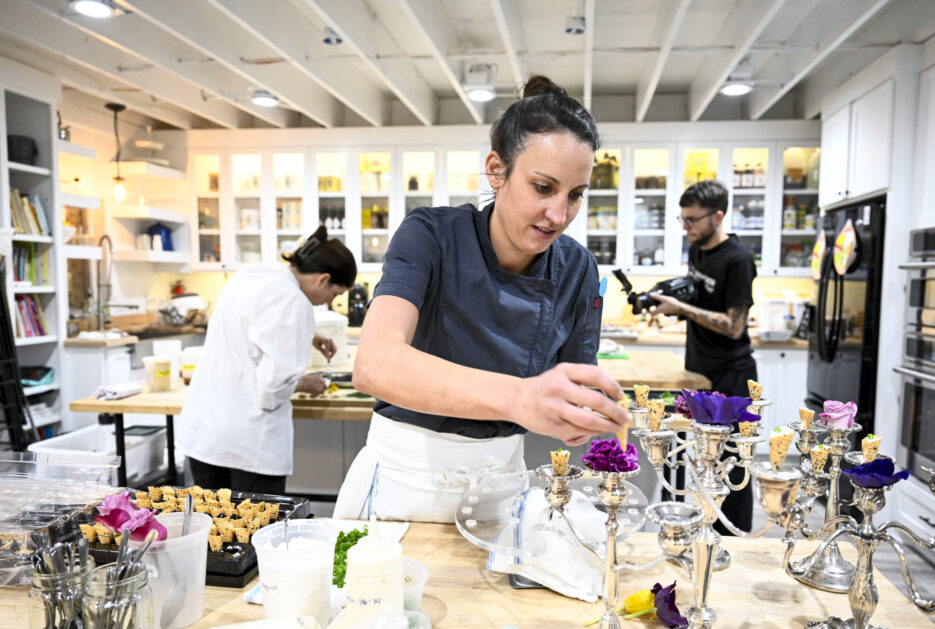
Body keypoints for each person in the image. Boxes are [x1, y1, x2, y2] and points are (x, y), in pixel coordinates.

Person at [334, 75, 629, 523]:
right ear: (497, 170)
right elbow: (375, 364)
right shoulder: (430, 235)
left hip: (501, 488)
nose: (559, 215)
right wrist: (520, 398)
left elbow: (575, 389)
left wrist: (579, 416)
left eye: (576, 195)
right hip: (402, 481)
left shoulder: (578, 268)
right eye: (544, 188)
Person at [177, 226, 356, 494]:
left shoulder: (256, 273)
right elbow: (273, 387)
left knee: (215, 530)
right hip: (248, 443)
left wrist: (306, 334)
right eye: (336, 293)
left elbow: (251, 328)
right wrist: (305, 384)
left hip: (207, 430)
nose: (329, 301)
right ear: (322, 279)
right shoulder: (294, 303)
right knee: (255, 533)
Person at [648, 179, 757, 533]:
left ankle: (734, 539)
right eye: (683, 219)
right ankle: (689, 527)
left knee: (732, 463)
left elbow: (734, 326)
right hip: (699, 372)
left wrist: (680, 306)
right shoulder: (698, 250)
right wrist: (669, 299)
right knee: (697, 457)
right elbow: (699, 299)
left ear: (718, 216)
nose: (687, 227)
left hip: (732, 374)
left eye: (693, 220)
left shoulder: (738, 260)